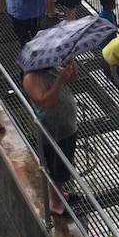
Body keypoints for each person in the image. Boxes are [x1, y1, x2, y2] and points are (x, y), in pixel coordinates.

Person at [22, 62, 79, 218]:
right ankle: (56, 204)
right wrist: (60, 78)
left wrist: (71, 67)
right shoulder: (31, 78)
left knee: (65, 163)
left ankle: (61, 194)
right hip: (53, 131)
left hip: (67, 125)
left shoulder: (53, 67)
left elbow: (72, 79)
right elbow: (45, 101)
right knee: (56, 168)